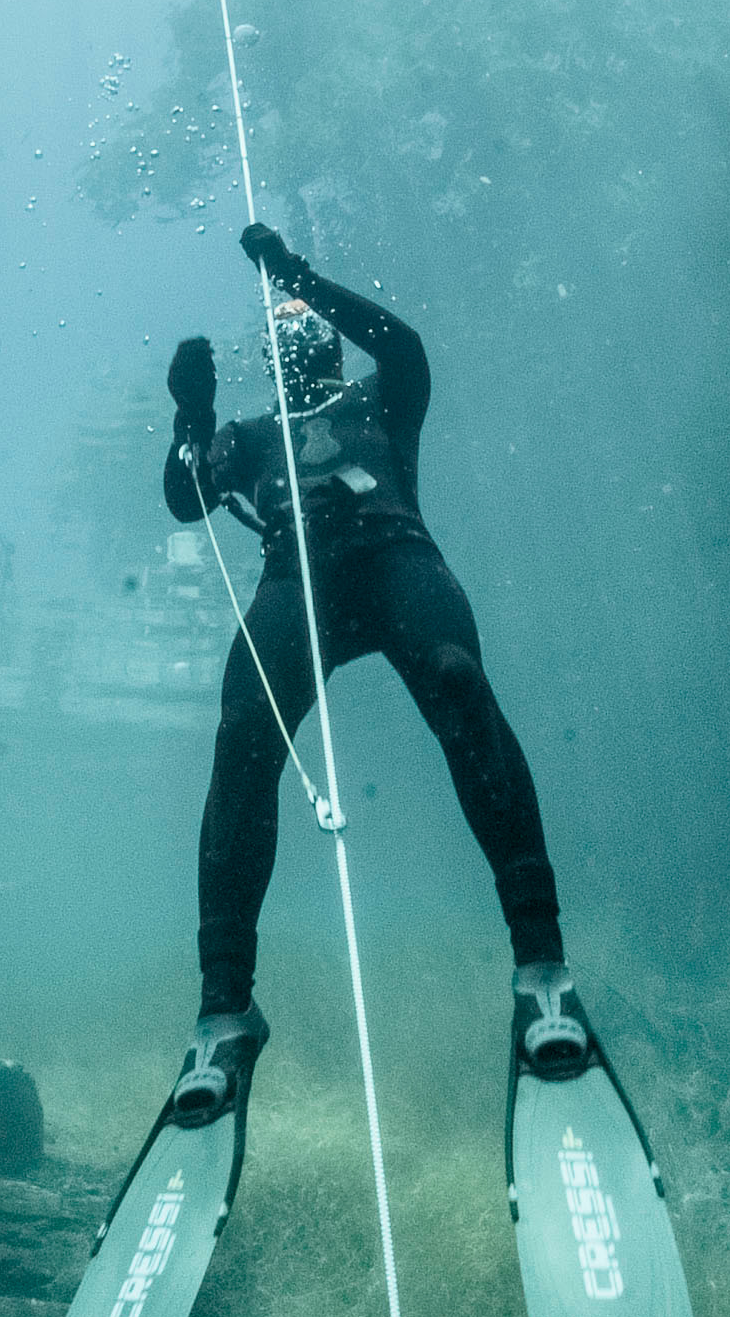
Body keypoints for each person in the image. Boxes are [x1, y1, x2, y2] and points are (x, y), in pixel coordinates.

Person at [163, 223, 570, 1117]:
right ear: (270, 361)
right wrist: (191, 415)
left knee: (457, 678)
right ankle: (223, 1011)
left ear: (333, 344)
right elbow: (186, 497)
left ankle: (542, 967)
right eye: (283, 324)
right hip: (295, 580)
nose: (297, 328)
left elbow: (405, 344)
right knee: (242, 735)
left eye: (308, 319)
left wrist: (298, 273)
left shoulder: (381, 400)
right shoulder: (252, 435)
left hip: (396, 557)